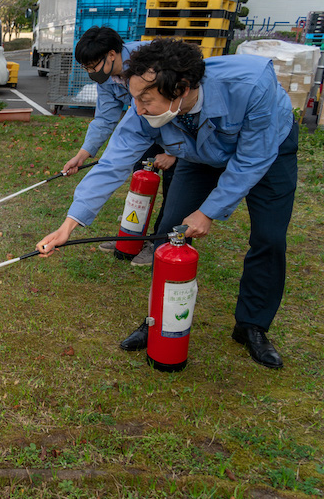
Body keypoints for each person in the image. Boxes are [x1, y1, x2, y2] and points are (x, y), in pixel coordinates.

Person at [38, 38, 298, 369]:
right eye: (135, 99)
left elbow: (251, 160)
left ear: (182, 89)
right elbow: (113, 162)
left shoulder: (251, 86)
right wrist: (68, 225)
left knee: (269, 238)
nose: (139, 109)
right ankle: (158, 323)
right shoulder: (144, 107)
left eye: (146, 100)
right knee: (170, 231)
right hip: (198, 152)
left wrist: (207, 212)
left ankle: (252, 327)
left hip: (269, 151)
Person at [63, 26, 176, 266]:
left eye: (93, 66)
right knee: (139, 184)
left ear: (112, 54)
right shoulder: (106, 79)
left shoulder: (147, 62)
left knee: (175, 193)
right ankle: (131, 237)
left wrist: (172, 152)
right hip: (144, 129)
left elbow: (179, 104)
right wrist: (83, 154)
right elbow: (105, 118)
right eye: (86, 68)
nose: (91, 72)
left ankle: (161, 246)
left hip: (174, 130)